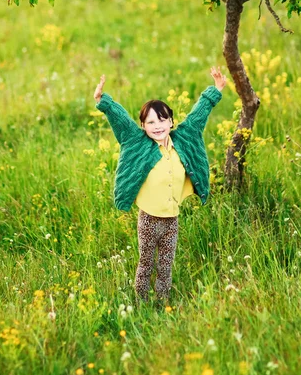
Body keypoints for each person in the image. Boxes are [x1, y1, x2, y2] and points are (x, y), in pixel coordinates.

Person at [93, 67, 227, 305]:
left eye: (162, 120)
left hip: (172, 219)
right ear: (143, 125)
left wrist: (215, 90)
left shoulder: (183, 139)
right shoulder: (137, 143)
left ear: (171, 121)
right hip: (148, 220)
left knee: (166, 264)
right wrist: (104, 102)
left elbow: (198, 115)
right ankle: (141, 300)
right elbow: (122, 121)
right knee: (145, 262)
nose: (157, 126)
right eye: (151, 122)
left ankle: (162, 301)